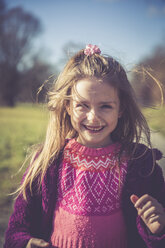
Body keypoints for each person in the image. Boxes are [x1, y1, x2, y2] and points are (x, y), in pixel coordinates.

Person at [4, 44, 165, 248]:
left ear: (121, 109)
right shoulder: (46, 162)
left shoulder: (142, 166)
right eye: (82, 105)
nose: (93, 117)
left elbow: (158, 237)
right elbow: (15, 231)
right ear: (68, 107)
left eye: (105, 106)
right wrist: (25, 243)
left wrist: (158, 229)